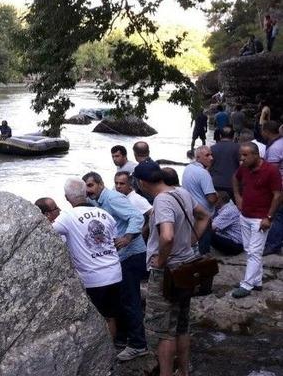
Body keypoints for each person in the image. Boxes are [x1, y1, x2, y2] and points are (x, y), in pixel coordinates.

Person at [134, 160, 211, 376]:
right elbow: (204, 215)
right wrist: (192, 240)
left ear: (141, 183)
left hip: (168, 272)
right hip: (187, 267)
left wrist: (160, 261)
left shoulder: (161, 201)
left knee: (164, 332)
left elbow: (167, 236)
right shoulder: (181, 192)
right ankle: (183, 372)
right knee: (182, 326)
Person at [82, 172, 148, 360]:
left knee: (130, 300)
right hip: (120, 257)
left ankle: (138, 344)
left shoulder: (112, 198)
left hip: (132, 254)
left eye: (91, 185)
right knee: (121, 299)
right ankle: (123, 337)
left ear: (101, 184)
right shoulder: (96, 200)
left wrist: (127, 237)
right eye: (86, 187)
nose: (88, 190)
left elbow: (137, 217)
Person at [49, 178, 123, 344]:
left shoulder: (67, 216)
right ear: (85, 193)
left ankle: (99, 357)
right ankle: (110, 353)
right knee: (110, 317)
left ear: (67, 198)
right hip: (114, 273)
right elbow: (114, 240)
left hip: (93, 279)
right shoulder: (104, 214)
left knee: (94, 319)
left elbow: (48, 232)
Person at [231, 142, 283, 298]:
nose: (242, 158)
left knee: (254, 251)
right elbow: (235, 178)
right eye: (241, 155)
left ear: (256, 155)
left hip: (260, 219)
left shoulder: (271, 171)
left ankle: (246, 285)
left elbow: (278, 195)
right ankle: (257, 281)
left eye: (245, 155)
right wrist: (237, 196)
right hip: (245, 215)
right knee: (249, 250)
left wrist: (269, 217)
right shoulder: (244, 168)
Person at [183, 146, 218, 254]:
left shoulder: (188, 168)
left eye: (211, 154)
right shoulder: (203, 173)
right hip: (203, 215)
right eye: (207, 155)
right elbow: (211, 199)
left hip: (190, 211)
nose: (211, 158)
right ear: (198, 158)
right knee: (203, 246)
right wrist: (217, 195)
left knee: (192, 242)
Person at [260, 121, 283, 255]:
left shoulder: (275, 148)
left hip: (280, 186)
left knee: (277, 214)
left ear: (266, 131)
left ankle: (272, 244)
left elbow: (272, 172)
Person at [210, 191, 244, 255]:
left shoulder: (228, 211)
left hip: (236, 245)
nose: (211, 200)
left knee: (207, 233)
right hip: (237, 242)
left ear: (220, 200)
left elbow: (212, 227)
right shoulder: (231, 208)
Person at [209, 126, 241, 196]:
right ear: (233, 136)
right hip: (232, 184)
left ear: (220, 136)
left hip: (215, 183)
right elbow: (242, 165)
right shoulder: (238, 148)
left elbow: (209, 166)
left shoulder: (212, 148)